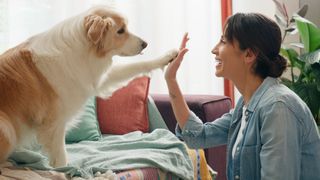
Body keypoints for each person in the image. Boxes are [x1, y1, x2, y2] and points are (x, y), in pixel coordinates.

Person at [164, 12, 320, 180]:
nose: (214, 49)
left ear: (249, 55)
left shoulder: (277, 107)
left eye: (223, 41)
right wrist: (171, 79)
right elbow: (198, 136)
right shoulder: (246, 106)